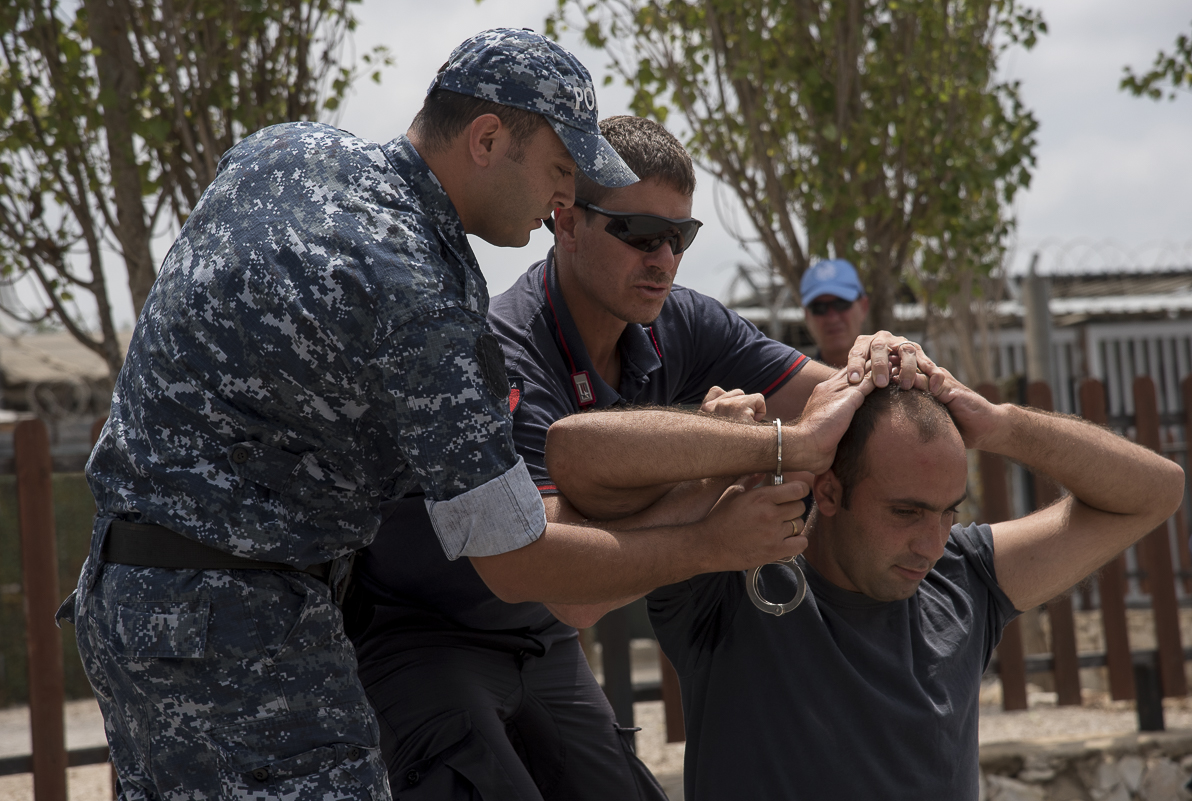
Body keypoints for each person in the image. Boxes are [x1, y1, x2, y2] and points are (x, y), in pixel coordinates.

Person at [60, 29, 814, 799]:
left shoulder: (282, 151)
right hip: (246, 632)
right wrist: (708, 537)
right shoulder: (422, 300)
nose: (562, 202)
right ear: (488, 138)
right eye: (560, 170)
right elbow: (521, 559)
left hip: (122, 599)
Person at [349, 115, 929, 799]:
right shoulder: (505, 350)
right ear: (563, 219)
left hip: (538, 641)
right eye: (636, 234)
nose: (662, 258)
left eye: (679, 238)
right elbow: (567, 580)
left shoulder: (687, 321)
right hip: (425, 634)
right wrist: (713, 497)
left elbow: (834, 402)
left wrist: (876, 361)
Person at [543, 367, 1185, 800]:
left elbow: (1155, 492)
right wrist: (756, 447)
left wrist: (1003, 425)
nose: (931, 543)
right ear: (829, 491)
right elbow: (574, 452)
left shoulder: (964, 578)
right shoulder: (734, 570)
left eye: (948, 511)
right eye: (906, 512)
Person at [800, 258, 870, 367]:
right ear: (807, 316)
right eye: (819, 307)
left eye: (841, 304)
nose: (832, 318)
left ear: (863, 307)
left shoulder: (897, 374)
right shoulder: (796, 383)